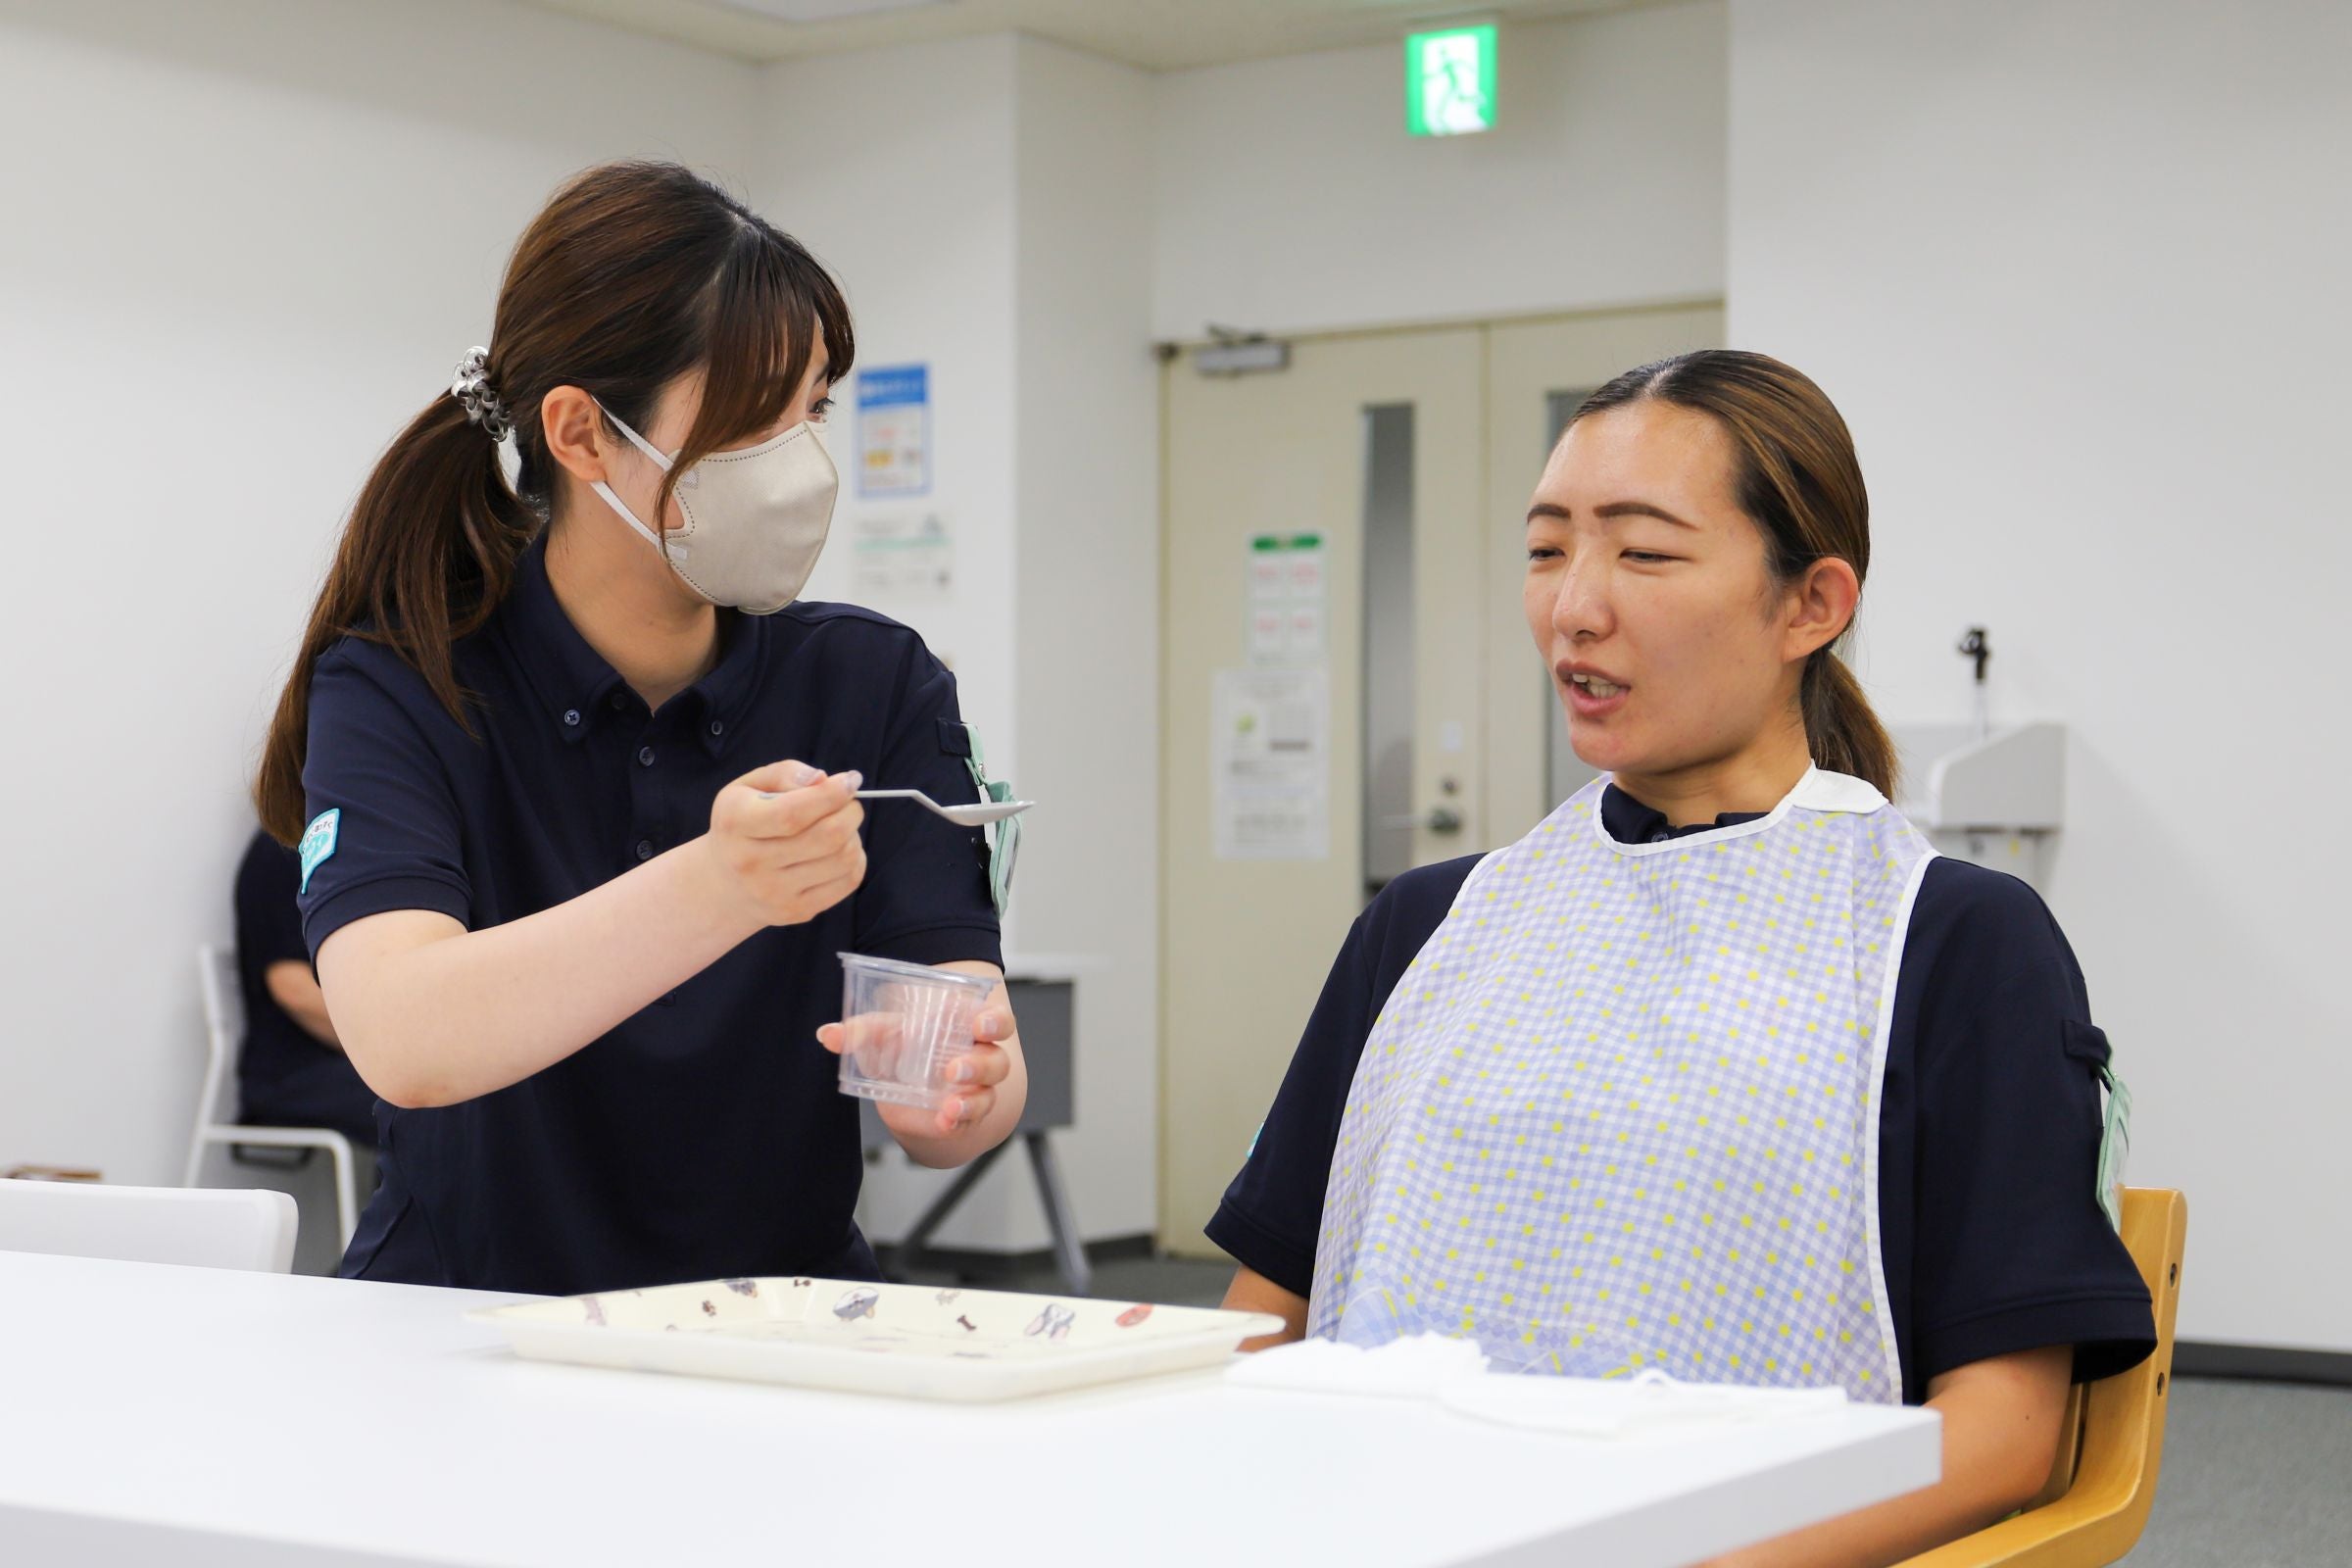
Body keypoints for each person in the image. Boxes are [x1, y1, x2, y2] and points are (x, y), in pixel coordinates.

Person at [1210, 351, 2153, 1566]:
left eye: (1644, 552)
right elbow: (1265, 1314)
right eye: (1548, 549)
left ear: (1811, 604)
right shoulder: (1432, 926)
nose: (1574, 606)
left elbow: (2005, 1434)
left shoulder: (1948, 941)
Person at [252, 161, 1023, 1297]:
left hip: (778, 1325)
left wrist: (958, 1087)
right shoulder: (404, 681)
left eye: (812, 408)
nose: (800, 461)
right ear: (580, 434)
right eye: (753, 414)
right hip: (463, 1327)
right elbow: (406, 1036)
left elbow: (957, 1091)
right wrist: (721, 885)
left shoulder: (874, 680)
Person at [231, 828, 377, 1149]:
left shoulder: (350, 845)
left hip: (336, 1063)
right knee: (428, 1101)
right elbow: (291, 987)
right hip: (290, 1072)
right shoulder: (286, 845)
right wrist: (393, 1046)